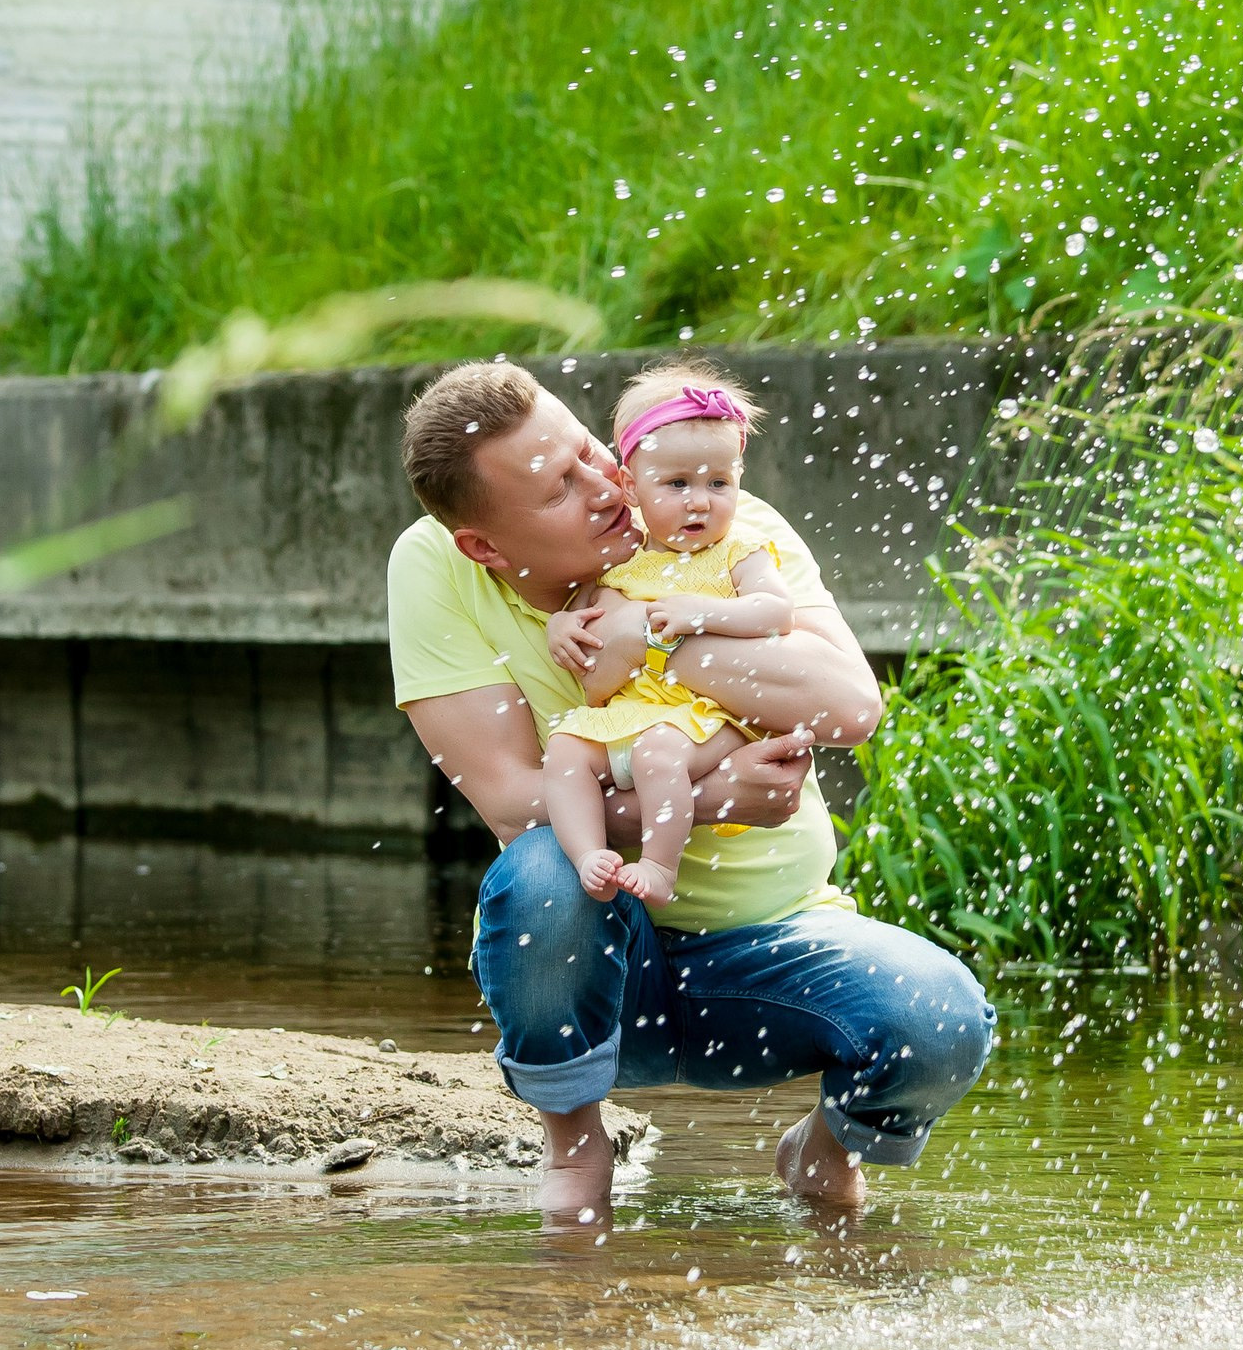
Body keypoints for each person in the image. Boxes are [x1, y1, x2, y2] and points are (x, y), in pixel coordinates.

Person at [387, 359, 995, 1225]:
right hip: (604, 965)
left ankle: (825, 1150)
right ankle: (575, 1143)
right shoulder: (435, 570)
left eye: (593, 451)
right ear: (485, 546)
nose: (607, 486)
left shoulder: (717, 518)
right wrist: (712, 799)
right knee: (539, 872)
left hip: (778, 946)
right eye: (561, 489)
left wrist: (657, 643)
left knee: (941, 1016)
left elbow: (852, 704)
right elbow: (514, 803)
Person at [542, 361, 790, 908]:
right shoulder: (621, 564)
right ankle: (589, 856)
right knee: (563, 752)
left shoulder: (737, 554)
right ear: (632, 487)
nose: (699, 501)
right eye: (677, 484)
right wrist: (560, 628)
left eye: (718, 483)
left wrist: (705, 613)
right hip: (634, 711)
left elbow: (775, 612)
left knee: (658, 754)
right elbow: (577, 611)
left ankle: (659, 866)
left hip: (708, 714)